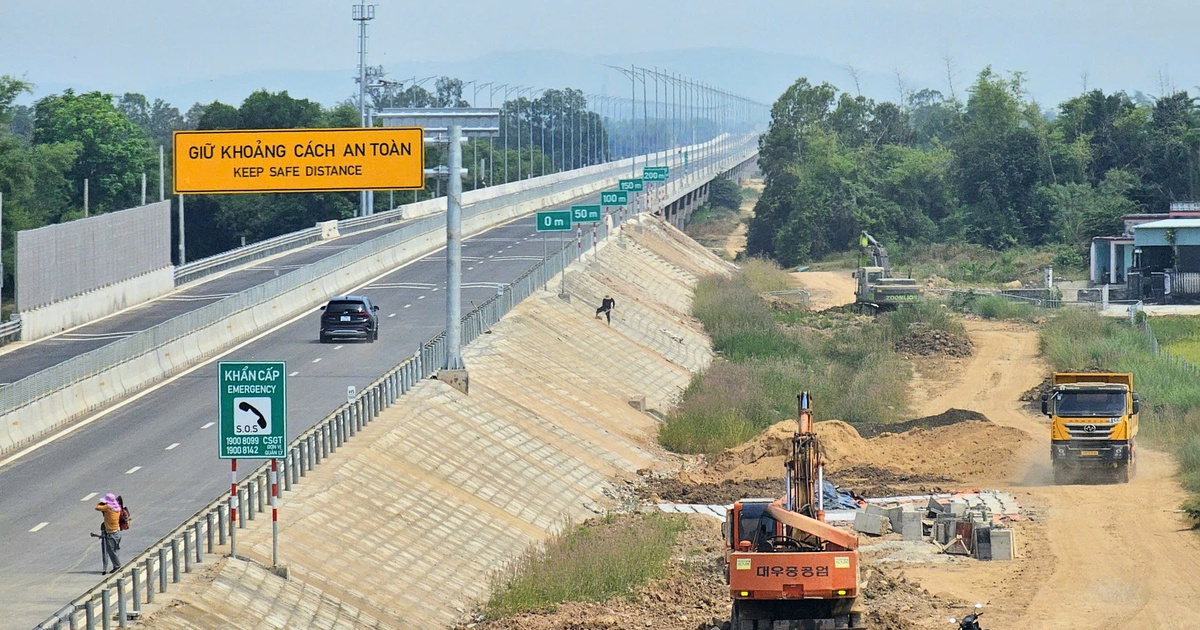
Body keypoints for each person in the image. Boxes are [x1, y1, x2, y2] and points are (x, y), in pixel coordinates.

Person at [95, 493, 122, 573]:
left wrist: (101, 503)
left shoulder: (108, 507)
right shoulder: (117, 507)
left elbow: (97, 507)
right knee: (115, 549)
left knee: (111, 551)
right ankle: (116, 565)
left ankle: (117, 565)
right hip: (117, 531)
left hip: (111, 533)